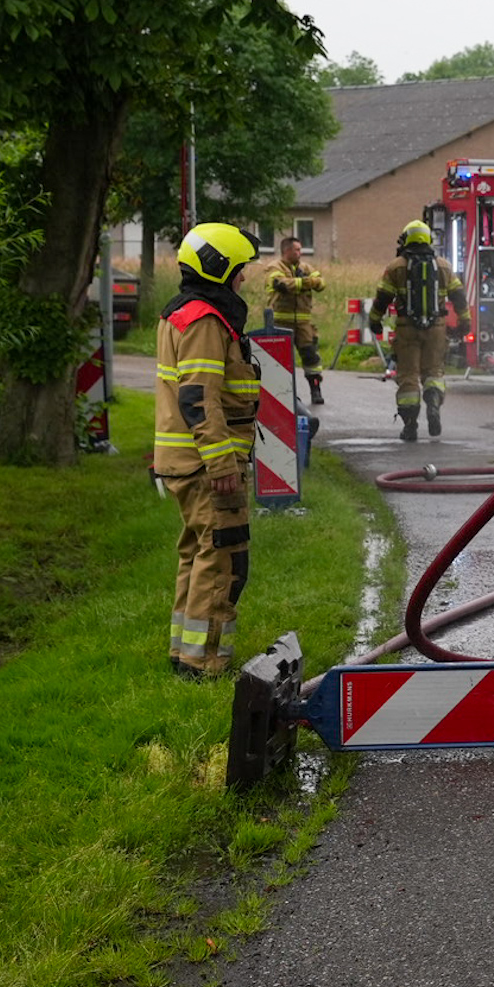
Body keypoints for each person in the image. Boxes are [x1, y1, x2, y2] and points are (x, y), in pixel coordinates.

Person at [155, 222, 262, 679]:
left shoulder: (182, 313)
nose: (242, 279)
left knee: (197, 556)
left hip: (186, 463)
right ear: (219, 268)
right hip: (208, 466)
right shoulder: (203, 320)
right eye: (239, 270)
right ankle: (205, 664)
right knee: (222, 558)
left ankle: (185, 655)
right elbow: (198, 398)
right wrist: (221, 463)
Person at [369, 220, 469, 441]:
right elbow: (458, 295)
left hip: (407, 329)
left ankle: (410, 426)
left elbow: (383, 297)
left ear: (407, 239)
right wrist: (465, 320)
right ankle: (433, 402)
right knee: (434, 373)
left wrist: (374, 320)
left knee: (408, 377)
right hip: (436, 329)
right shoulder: (443, 265)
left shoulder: (396, 266)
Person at [264, 235, 327, 405]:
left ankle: (315, 390)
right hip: (280, 323)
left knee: (311, 358)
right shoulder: (273, 267)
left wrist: (302, 281)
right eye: (297, 249)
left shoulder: (306, 267)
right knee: (280, 361)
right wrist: (306, 282)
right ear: (287, 251)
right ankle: (282, 394)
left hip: (304, 324)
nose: (300, 253)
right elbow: (282, 285)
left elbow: (321, 283)